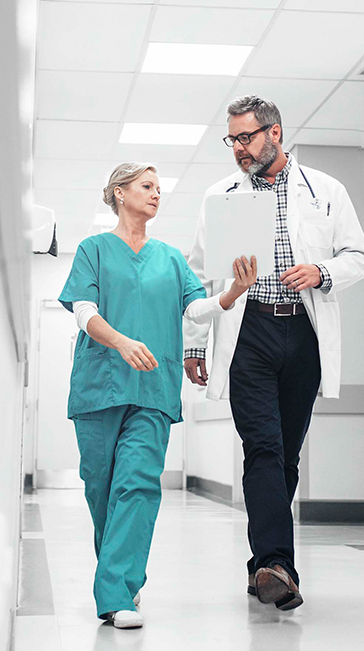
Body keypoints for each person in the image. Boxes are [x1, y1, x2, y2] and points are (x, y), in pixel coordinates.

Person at [184, 96, 364, 610]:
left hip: (304, 332)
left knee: (286, 453)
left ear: (275, 132)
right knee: (263, 448)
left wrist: (322, 273)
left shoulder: (325, 191)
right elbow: (200, 276)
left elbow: (359, 256)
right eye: (233, 140)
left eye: (247, 138)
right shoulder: (219, 195)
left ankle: (261, 565)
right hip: (248, 332)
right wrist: (196, 342)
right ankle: (278, 563)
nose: (239, 150)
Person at [59, 162, 256, 628]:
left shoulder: (170, 258)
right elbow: (83, 311)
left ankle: (115, 595)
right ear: (119, 193)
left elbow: (197, 308)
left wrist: (231, 293)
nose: (156, 194)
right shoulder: (93, 250)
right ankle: (124, 574)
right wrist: (122, 342)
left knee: (138, 485)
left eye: (159, 189)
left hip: (153, 388)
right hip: (97, 387)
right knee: (102, 491)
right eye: (147, 187)